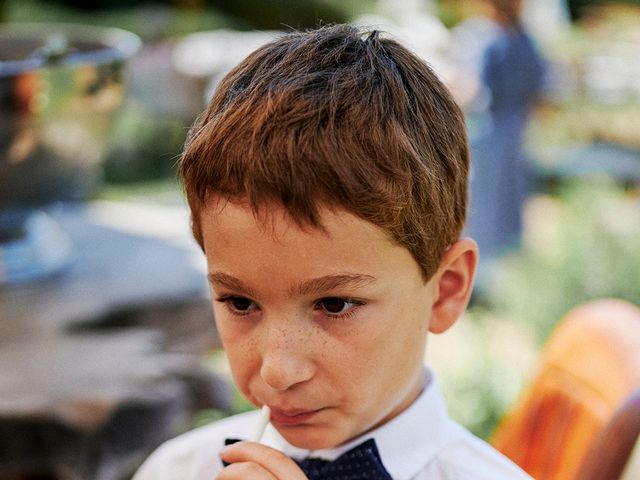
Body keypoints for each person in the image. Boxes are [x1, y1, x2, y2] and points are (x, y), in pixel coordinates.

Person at [133, 24, 531, 480]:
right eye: (240, 303)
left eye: (334, 304)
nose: (278, 371)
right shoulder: (177, 469)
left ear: (445, 291)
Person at [458, 0, 546, 286]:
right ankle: (508, 277)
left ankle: (477, 281)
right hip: (515, 137)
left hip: (485, 137)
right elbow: (539, 95)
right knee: (510, 206)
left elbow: (473, 90)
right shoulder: (526, 41)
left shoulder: (486, 40)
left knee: (478, 209)